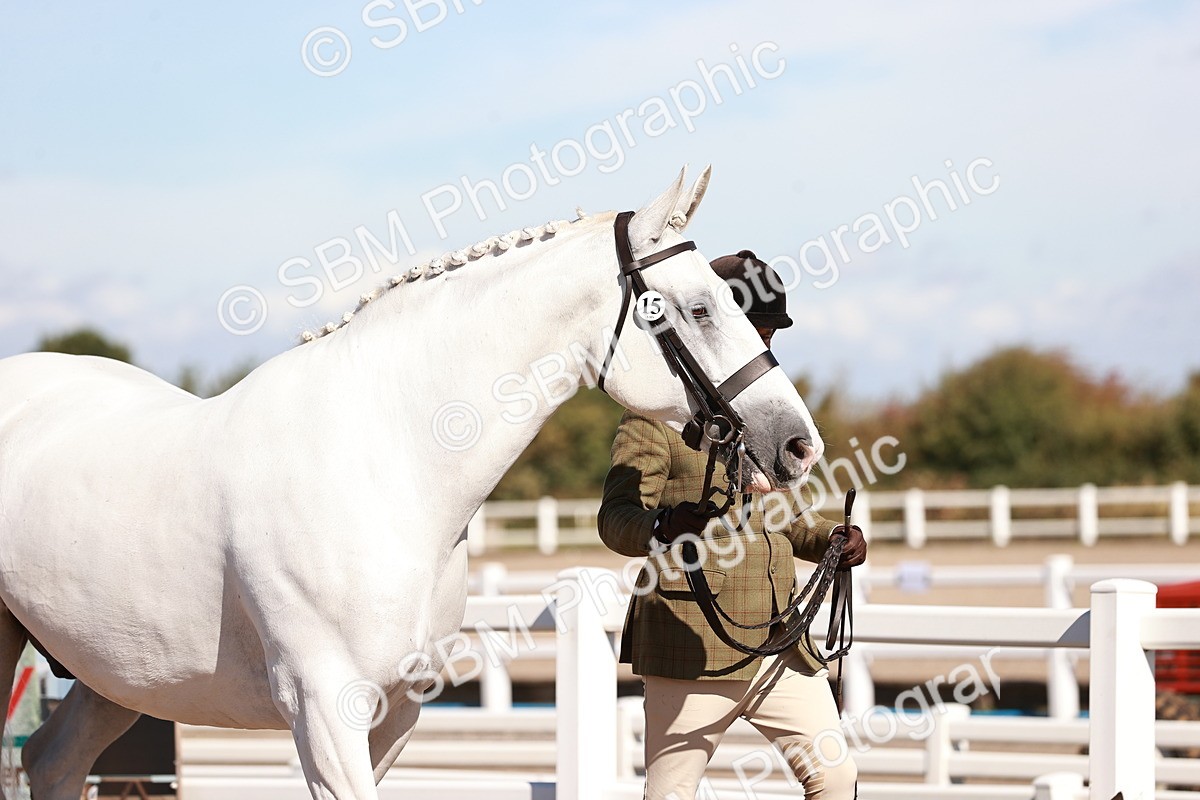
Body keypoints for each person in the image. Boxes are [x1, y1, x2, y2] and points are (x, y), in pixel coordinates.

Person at [598, 250, 866, 800]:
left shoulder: (765, 417)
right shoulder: (655, 416)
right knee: (671, 793)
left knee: (837, 778)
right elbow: (615, 519)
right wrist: (666, 524)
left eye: (770, 335)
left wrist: (832, 542)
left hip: (778, 643)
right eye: (758, 332)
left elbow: (782, 520)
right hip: (689, 640)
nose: (765, 348)